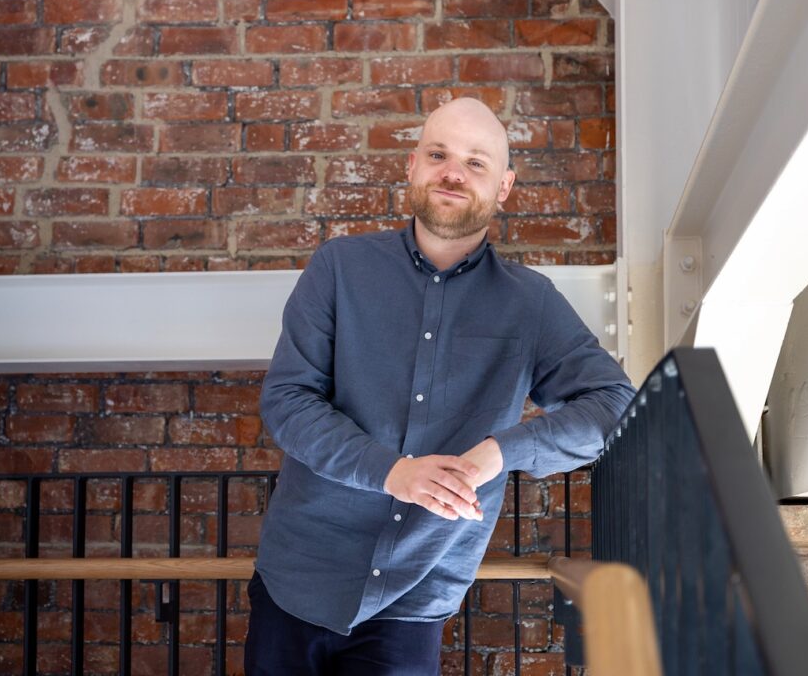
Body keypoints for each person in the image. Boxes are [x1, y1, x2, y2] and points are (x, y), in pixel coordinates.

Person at [244, 97, 635, 675]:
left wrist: (497, 453)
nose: (453, 172)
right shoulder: (339, 268)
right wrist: (391, 470)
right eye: (438, 154)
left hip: (417, 597)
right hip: (298, 578)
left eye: (476, 163)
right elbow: (287, 400)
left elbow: (615, 406)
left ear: (504, 187)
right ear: (412, 166)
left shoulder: (531, 304)